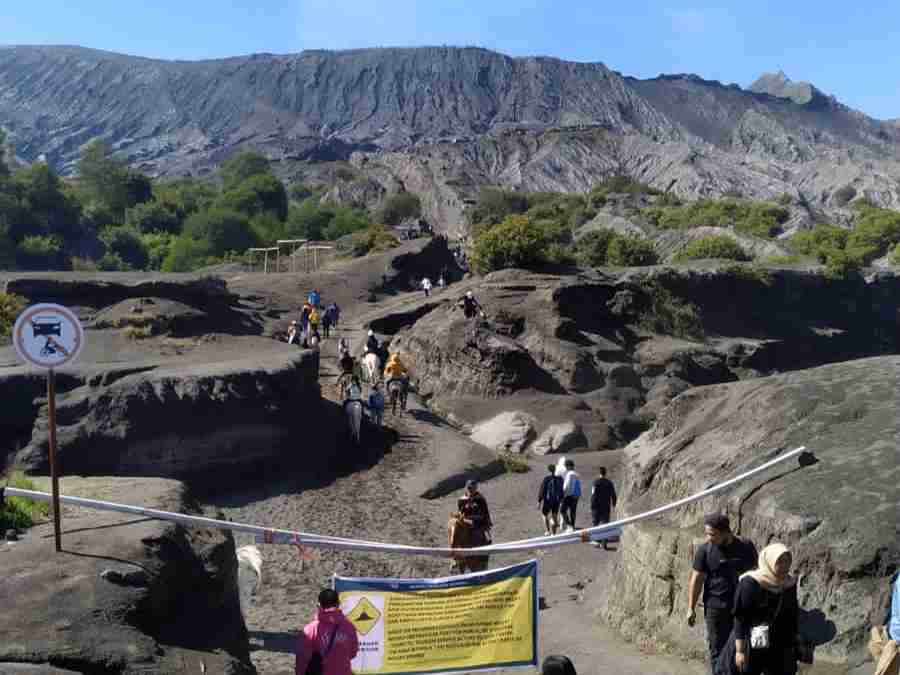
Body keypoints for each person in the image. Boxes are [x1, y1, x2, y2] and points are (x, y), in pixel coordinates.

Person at [687, 513, 759, 675]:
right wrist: (690, 607)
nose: (708, 537)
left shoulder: (746, 546)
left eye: (712, 534)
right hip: (715, 609)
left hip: (741, 609)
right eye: (707, 533)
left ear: (726, 532)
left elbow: (757, 573)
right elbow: (696, 579)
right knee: (717, 650)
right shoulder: (705, 550)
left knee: (741, 650)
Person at [715, 543, 800, 675]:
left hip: (776, 643)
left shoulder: (788, 584)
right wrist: (740, 651)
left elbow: (792, 613)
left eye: (787, 561)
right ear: (769, 562)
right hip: (750, 640)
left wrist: (795, 642)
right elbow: (740, 619)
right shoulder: (751, 583)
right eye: (780, 562)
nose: (785, 566)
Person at [295, 587, 359, 675]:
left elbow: (302, 659)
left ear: (319, 605)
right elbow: (353, 653)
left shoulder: (310, 629)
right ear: (338, 604)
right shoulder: (349, 627)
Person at [458, 479, 493, 545]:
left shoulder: (480, 499)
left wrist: (486, 521)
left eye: (473, 488)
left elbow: (485, 512)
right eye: (469, 488)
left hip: (478, 520)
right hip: (465, 520)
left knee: (479, 532)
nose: (471, 490)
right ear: (466, 488)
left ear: (476, 488)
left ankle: (485, 545)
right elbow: (460, 511)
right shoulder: (461, 499)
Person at [590, 467, 618, 549]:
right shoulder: (609, 483)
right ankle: (604, 543)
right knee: (605, 525)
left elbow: (593, 495)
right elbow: (614, 495)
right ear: (605, 473)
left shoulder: (595, 482)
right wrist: (614, 504)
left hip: (596, 506)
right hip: (606, 506)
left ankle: (597, 541)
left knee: (595, 524)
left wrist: (592, 505)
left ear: (599, 473)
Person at [537, 463, 564, 536]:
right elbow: (562, 490)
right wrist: (561, 500)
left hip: (548, 500)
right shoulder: (560, 478)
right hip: (556, 500)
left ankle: (548, 530)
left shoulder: (546, 479)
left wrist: (539, 501)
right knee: (554, 515)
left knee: (544, 514)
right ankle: (554, 533)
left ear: (548, 470)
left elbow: (542, 490)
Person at [561, 459, 581, 532]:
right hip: (576, 496)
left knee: (562, 510)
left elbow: (567, 486)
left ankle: (569, 526)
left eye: (566, 466)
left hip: (569, 496)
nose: (565, 468)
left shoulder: (570, 474)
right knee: (573, 511)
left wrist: (563, 494)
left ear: (569, 466)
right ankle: (572, 526)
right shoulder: (576, 474)